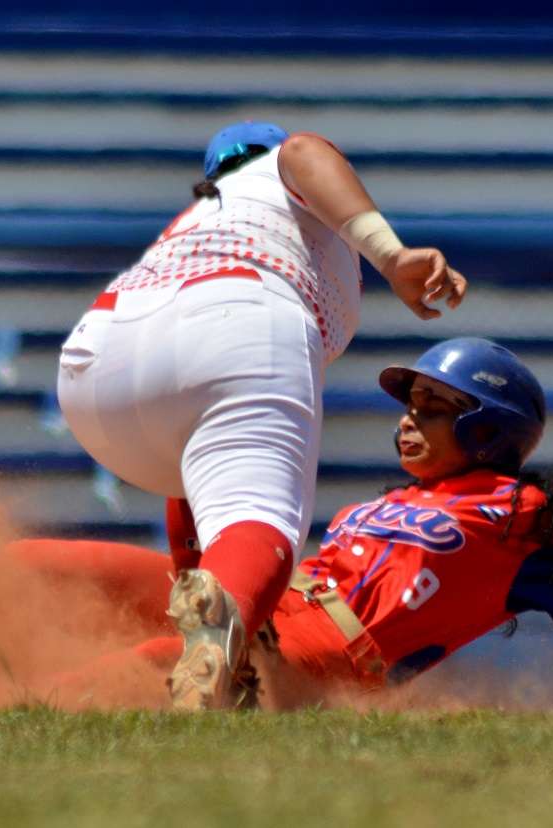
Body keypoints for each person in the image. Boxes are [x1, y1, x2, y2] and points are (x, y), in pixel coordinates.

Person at [30, 338, 553, 705]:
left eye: (435, 405)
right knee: (60, 567)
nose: (410, 417)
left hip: (334, 654)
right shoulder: (381, 504)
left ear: (489, 427)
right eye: (411, 402)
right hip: (276, 605)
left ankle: (3, 707)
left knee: (167, 661)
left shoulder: (522, 516)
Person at [55, 121, 468, 710]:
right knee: (262, 520)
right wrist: (392, 253)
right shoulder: (276, 172)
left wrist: (205, 584)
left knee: (217, 493)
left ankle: (218, 631)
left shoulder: (197, 218)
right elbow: (301, 150)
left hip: (96, 373)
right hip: (237, 312)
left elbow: (194, 477)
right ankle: (219, 638)